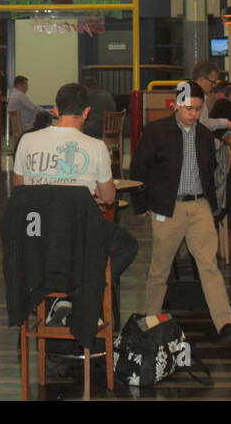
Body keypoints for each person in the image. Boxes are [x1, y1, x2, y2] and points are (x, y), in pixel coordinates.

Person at [13, 82, 138, 320]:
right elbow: (109, 198)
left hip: (34, 236)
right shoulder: (96, 147)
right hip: (78, 237)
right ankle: (87, 287)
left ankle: (58, 296)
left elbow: (19, 191)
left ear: (56, 111)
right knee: (127, 245)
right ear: (87, 112)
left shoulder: (27, 142)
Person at [131, 80, 231, 344]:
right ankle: (151, 318)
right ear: (177, 104)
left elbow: (210, 173)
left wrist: (215, 208)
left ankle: (225, 323)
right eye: (190, 108)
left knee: (209, 264)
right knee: (160, 267)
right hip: (168, 208)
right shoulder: (157, 132)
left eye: (198, 108)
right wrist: (141, 204)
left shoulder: (204, 136)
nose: (194, 114)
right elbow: (139, 169)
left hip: (199, 205)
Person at [190, 60, 231, 134]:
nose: (214, 86)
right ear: (201, 80)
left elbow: (204, 122)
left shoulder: (198, 95)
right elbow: (200, 127)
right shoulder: (192, 98)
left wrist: (225, 123)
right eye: (213, 82)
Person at [80, 74, 117, 139]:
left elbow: (81, 112)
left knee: (78, 129)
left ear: (85, 87)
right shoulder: (107, 93)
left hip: (98, 129)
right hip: (112, 128)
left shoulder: (89, 95)